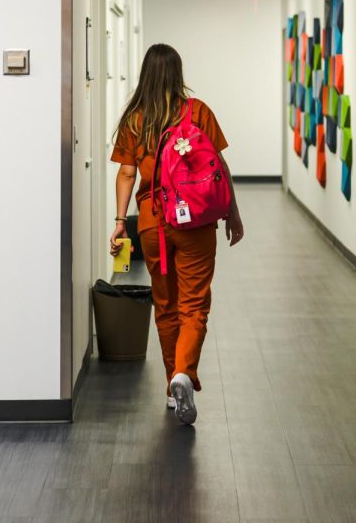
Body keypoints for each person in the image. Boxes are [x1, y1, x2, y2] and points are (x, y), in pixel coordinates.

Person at [108, 43, 244, 426]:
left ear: (145, 74)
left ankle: (172, 386)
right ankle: (185, 371)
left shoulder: (135, 118)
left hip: (153, 220)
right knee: (194, 305)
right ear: (178, 73)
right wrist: (232, 212)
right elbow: (219, 166)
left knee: (165, 305)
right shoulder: (197, 111)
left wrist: (121, 222)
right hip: (196, 220)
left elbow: (126, 173)